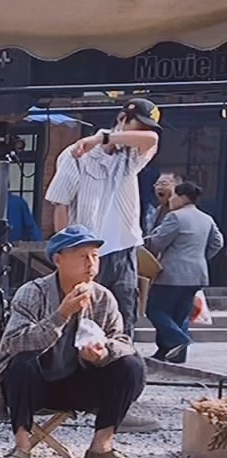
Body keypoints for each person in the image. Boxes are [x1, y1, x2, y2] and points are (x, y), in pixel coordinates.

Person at [0, 225, 146, 458]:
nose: (91, 263)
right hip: (39, 385)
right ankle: (22, 448)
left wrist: (103, 353)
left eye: (94, 256)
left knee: (131, 364)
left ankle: (101, 448)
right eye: (82, 256)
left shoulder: (103, 297)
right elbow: (14, 342)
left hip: (83, 382)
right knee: (21, 363)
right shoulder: (33, 293)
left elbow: (122, 342)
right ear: (58, 260)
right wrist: (60, 315)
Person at [46, 98, 160, 337]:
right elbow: (61, 205)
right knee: (82, 315)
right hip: (85, 249)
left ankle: (121, 364)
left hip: (123, 249)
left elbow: (152, 140)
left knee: (124, 315)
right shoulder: (76, 155)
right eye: (137, 125)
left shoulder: (130, 154)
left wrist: (101, 138)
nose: (140, 132)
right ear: (122, 119)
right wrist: (65, 250)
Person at [143, 182, 223, 364]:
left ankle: (178, 340)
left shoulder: (175, 217)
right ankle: (171, 353)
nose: (171, 199)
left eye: (174, 196)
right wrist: (200, 257)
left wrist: (149, 240)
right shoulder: (207, 218)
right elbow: (217, 242)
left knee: (155, 310)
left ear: (183, 197)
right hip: (197, 274)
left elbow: (158, 242)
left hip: (172, 274)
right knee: (180, 314)